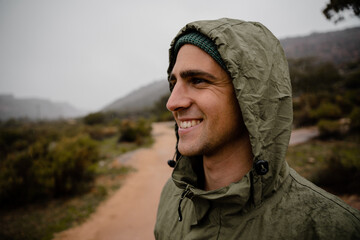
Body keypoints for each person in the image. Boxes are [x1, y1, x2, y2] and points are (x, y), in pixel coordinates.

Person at [154, 18, 360, 239]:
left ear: (253, 96)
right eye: (174, 83)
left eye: (197, 80)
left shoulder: (330, 229)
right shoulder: (173, 196)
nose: (172, 103)